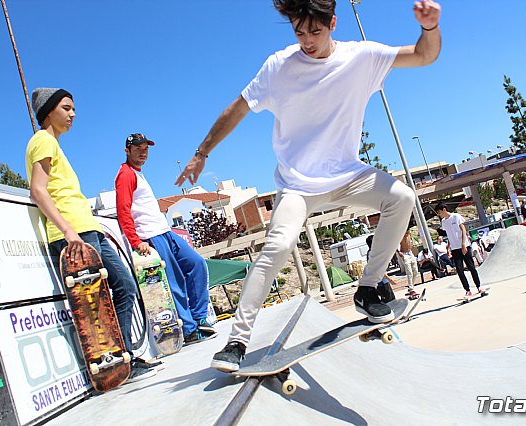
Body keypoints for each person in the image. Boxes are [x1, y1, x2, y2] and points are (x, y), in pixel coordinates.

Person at [175, 0, 441, 372]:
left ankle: (368, 287)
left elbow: (423, 56)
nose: (307, 41)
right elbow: (236, 108)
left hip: (349, 175)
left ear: (333, 23)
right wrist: (202, 153)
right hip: (297, 185)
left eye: (315, 32)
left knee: (402, 197)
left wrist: (429, 28)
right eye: (299, 32)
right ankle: (237, 340)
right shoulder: (279, 66)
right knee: (279, 244)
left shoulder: (361, 57)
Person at [25, 88, 157, 381]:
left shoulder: (55, 145)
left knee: (125, 286)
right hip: (75, 234)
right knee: (95, 303)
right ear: (49, 111)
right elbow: (38, 189)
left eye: (73, 109)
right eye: (67, 108)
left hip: (90, 229)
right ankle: (116, 364)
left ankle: (125, 359)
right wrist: (68, 231)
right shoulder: (42, 140)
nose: (73, 114)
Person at [114, 133, 216, 345]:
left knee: (197, 264)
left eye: (146, 148)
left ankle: (199, 318)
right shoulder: (125, 174)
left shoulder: (138, 174)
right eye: (137, 148)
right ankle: (188, 330)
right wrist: (135, 241)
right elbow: (123, 211)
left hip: (165, 231)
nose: (143, 152)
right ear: (127, 150)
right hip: (150, 235)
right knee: (174, 281)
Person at [435, 203, 482, 297]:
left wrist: (464, 244)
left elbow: (463, 230)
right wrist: (448, 248)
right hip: (455, 248)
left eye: (439, 212)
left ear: (444, 209)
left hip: (464, 246)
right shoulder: (444, 222)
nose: (439, 214)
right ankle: (467, 290)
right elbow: (449, 234)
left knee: (471, 267)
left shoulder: (456, 216)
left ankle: (479, 286)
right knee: (460, 270)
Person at [365, 235, 396, 302]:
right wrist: (390, 279)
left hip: (378, 281)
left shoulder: (370, 253)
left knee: (386, 300)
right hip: (382, 282)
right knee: (390, 301)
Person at [397, 230, 419, 298]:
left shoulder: (409, 235)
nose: (406, 233)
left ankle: (411, 286)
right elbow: (394, 244)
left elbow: (412, 241)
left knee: (415, 271)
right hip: (405, 254)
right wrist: (398, 252)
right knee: (409, 272)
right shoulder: (400, 236)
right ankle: (411, 288)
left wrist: (413, 244)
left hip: (410, 253)